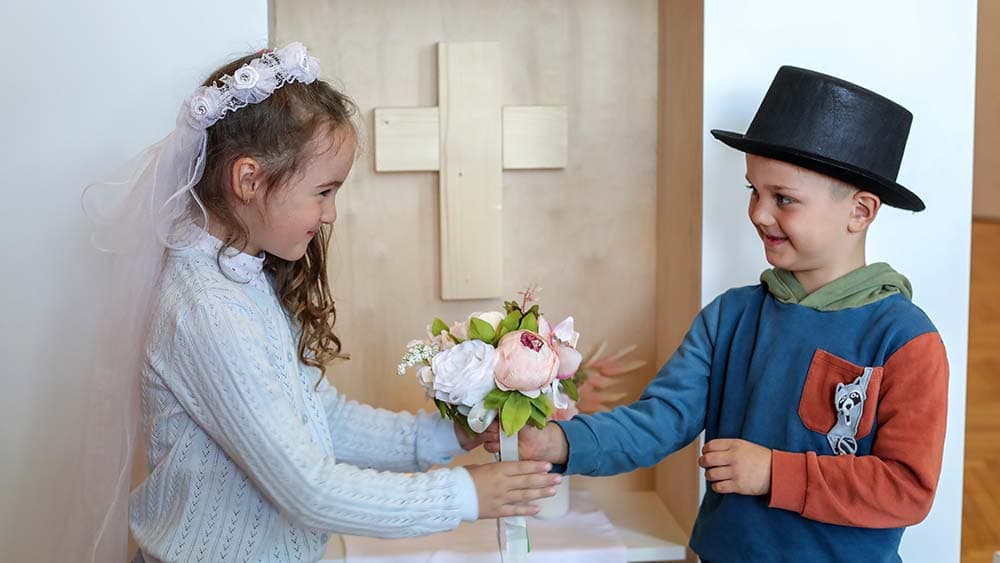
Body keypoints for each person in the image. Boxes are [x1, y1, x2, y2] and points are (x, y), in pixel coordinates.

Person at [84, 42, 559, 563]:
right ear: (249, 180)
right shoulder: (206, 310)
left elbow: (321, 417)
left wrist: (447, 437)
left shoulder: (241, 278)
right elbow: (308, 490)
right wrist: (466, 496)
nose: (331, 214)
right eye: (323, 191)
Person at [502, 66, 949, 562]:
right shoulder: (730, 317)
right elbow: (661, 420)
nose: (759, 213)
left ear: (860, 212)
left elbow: (906, 487)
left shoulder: (906, 339)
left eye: (784, 199)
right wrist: (557, 443)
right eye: (753, 191)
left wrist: (774, 473)